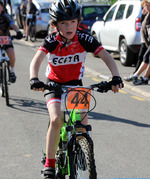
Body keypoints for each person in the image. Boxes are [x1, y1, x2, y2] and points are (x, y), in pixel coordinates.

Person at [29, 0, 124, 178]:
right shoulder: (52, 40)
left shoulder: (84, 38)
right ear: (54, 25)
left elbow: (106, 56)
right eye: (63, 23)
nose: (69, 26)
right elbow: (36, 59)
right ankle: (50, 163)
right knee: (56, 119)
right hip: (54, 85)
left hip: (75, 85)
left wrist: (116, 76)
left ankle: (82, 151)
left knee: (82, 126)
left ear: (78, 22)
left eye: (73, 21)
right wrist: (34, 79)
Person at [124, 0, 150, 85]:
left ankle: (143, 77)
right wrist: (143, 14)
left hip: (147, 41)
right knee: (145, 57)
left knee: (146, 57)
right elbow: (143, 24)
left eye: (147, 5)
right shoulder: (147, 15)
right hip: (147, 41)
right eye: (145, 6)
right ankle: (139, 76)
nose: (146, 7)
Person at [0, 0, 23, 83]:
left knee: (11, 53)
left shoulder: (5, 16)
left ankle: (12, 71)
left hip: (5, 38)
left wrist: (18, 32)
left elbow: (13, 24)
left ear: (2, 8)